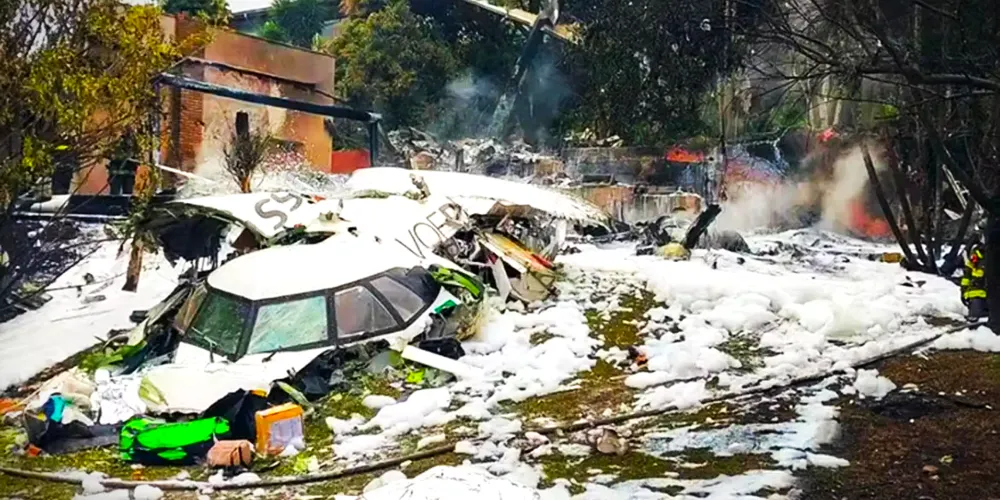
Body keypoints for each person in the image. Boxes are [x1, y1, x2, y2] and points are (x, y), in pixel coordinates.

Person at [960, 234, 988, 320]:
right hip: (978, 295)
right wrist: (964, 290)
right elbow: (967, 274)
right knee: (976, 320)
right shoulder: (976, 254)